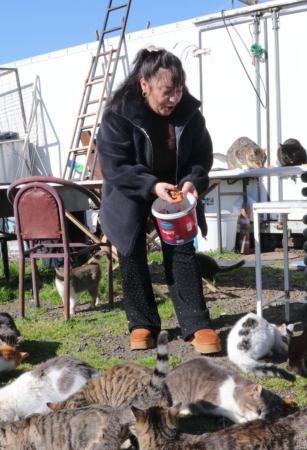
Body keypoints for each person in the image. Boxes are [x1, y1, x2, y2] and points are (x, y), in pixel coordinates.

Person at [96, 47, 221, 354]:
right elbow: (114, 167)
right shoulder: (118, 114)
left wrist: (193, 180)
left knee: (181, 248)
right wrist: (152, 185)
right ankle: (142, 324)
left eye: (178, 91)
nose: (174, 99)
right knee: (131, 247)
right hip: (131, 190)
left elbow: (202, 155)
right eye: (167, 92)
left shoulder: (190, 113)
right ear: (144, 85)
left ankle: (196, 323)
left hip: (175, 191)